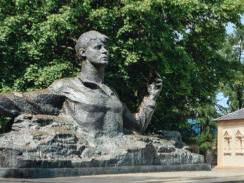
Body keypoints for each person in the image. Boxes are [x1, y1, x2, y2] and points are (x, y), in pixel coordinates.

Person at [0, 31, 162, 137]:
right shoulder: (66, 86)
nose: (105, 51)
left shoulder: (112, 93)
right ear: (83, 52)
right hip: (83, 156)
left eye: (106, 47)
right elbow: (22, 101)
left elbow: (137, 127)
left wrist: (151, 97)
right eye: (98, 47)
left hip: (115, 156)